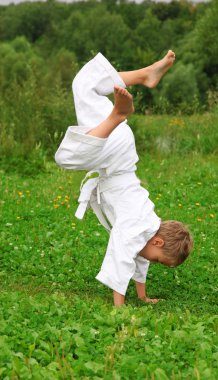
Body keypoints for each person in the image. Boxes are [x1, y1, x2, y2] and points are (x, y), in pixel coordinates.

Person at [55, 51, 193, 306]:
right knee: (66, 158)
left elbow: (138, 259)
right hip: (115, 153)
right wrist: (119, 308)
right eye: (159, 259)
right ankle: (116, 116)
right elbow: (120, 258)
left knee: (84, 85)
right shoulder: (135, 227)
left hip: (120, 147)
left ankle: (144, 75)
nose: (152, 262)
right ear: (158, 241)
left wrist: (143, 296)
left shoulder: (147, 227)